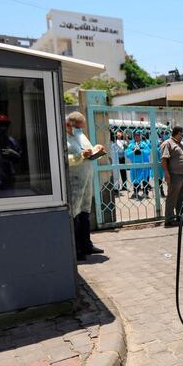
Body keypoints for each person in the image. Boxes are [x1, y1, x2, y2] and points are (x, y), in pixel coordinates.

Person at [65, 112, 105, 261]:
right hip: (74, 180)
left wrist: (96, 150)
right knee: (74, 213)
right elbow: (65, 159)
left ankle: (87, 244)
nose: (80, 130)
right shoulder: (64, 138)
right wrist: (81, 156)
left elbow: (88, 151)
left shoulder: (80, 135)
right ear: (69, 124)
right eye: (78, 127)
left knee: (85, 211)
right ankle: (76, 249)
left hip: (86, 178)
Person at [160, 126, 183, 227]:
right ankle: (169, 219)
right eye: (181, 134)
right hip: (174, 175)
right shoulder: (168, 143)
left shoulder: (180, 144)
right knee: (172, 197)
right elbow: (163, 160)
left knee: (181, 197)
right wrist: (166, 173)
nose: (182, 136)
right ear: (176, 133)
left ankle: (179, 217)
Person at [126, 131, 151, 199]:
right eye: (135, 135)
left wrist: (141, 151)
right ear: (134, 136)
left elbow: (148, 152)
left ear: (140, 136)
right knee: (135, 178)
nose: (136, 137)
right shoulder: (131, 145)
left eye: (138, 135)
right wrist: (133, 151)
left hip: (143, 164)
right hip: (135, 165)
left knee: (145, 178)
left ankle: (145, 192)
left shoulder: (144, 144)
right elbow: (127, 154)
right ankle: (135, 192)